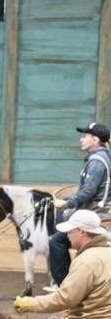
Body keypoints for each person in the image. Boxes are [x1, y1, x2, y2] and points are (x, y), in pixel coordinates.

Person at [47, 120, 111, 287]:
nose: (81, 140)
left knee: (56, 241)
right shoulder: (104, 156)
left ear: (95, 140)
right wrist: (70, 199)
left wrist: (68, 203)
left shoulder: (96, 161)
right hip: (101, 209)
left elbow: (89, 191)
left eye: (85, 136)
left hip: (97, 212)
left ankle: (65, 286)